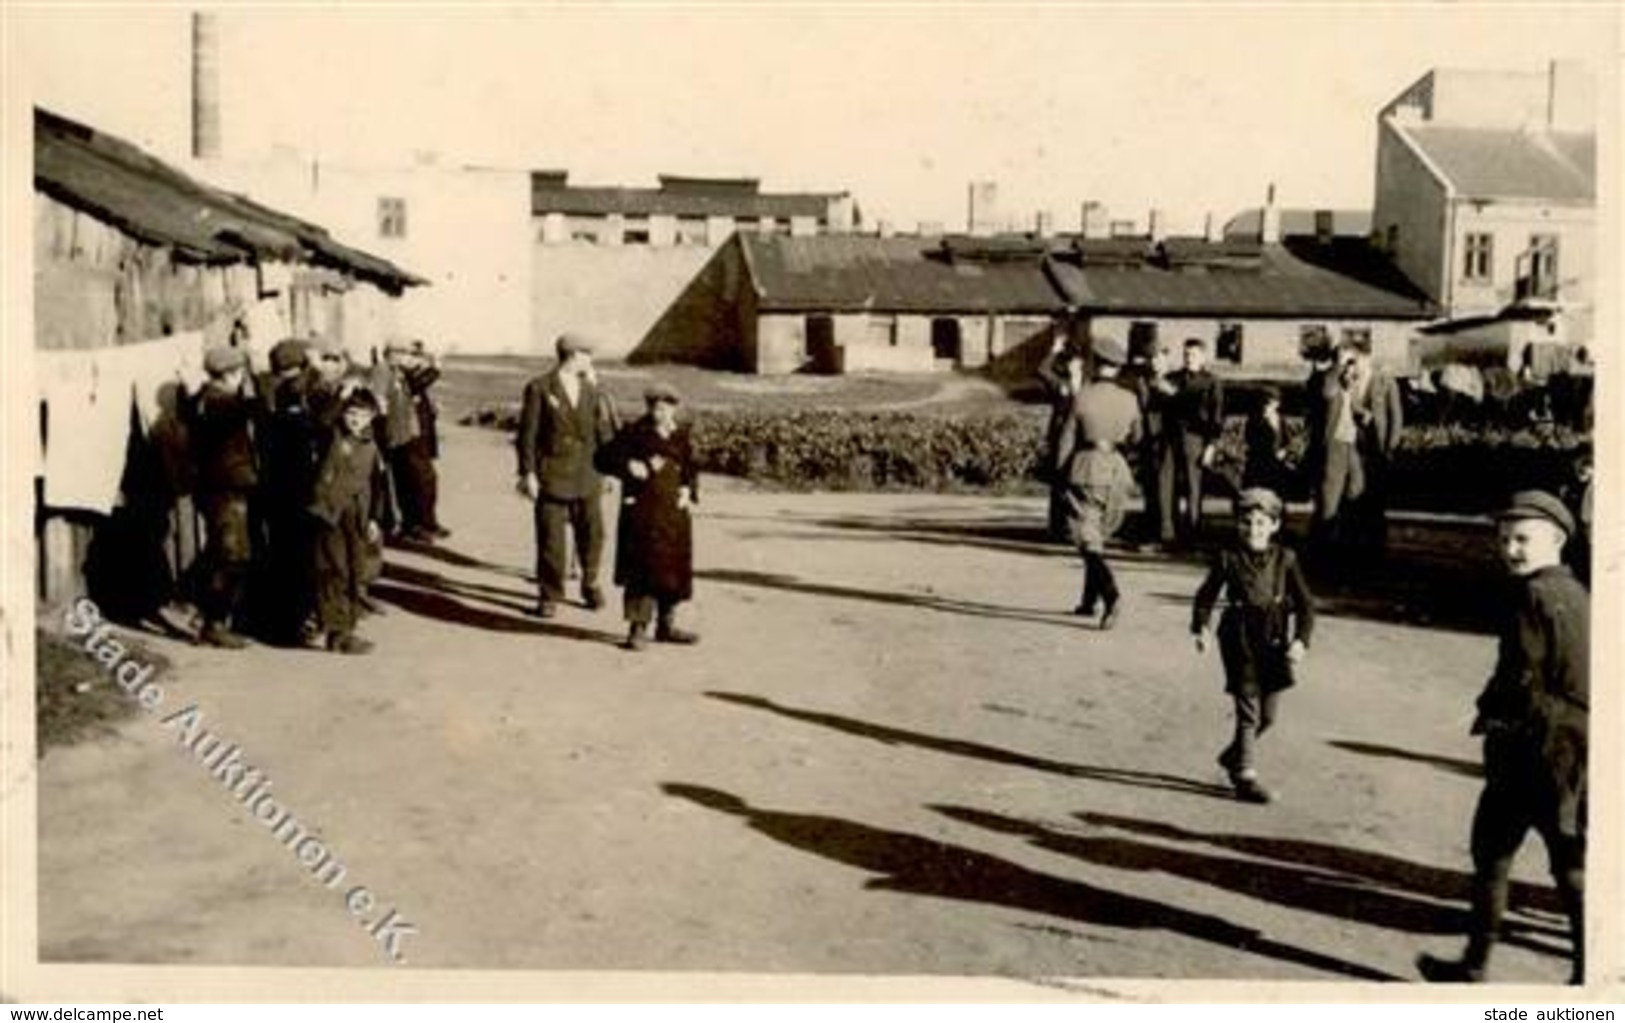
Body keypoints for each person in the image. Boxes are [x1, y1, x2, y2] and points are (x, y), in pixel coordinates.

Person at [1419, 491, 1588, 985]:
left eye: (1522, 539)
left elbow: (1521, 679)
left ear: (1556, 540)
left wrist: (1492, 720)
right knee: (1568, 859)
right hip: (1572, 751)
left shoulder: (1531, 597)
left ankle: (1476, 965)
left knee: (1492, 852)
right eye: (1504, 539)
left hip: (1531, 749)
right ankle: (1586, 974)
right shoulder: (1578, 594)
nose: (1511, 549)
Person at [1191, 487, 1314, 804]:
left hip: (1273, 638)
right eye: (1246, 522)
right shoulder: (1228, 558)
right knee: (1248, 709)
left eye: (1261, 523)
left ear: (1274, 525)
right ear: (1237, 524)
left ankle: (1233, 756)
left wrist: (1301, 640)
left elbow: (1306, 606)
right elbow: (1206, 596)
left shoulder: (1286, 559)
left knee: (1268, 717)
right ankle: (1245, 775)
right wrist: (1201, 627)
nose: (1253, 529)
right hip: (1238, 637)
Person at [517, 333, 621, 618]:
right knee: (551, 540)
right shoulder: (540, 387)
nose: (591, 360)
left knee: (593, 534)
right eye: (588, 354)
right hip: (552, 475)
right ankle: (550, 594)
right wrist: (528, 473)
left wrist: (611, 471)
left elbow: (603, 432)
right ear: (574, 355)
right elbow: (528, 435)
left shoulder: (592, 390)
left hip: (588, 474)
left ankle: (590, 584)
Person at [596, 383, 700, 651]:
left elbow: (690, 466)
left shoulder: (681, 434)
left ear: (674, 408)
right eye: (655, 407)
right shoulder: (634, 433)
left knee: (672, 571)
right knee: (642, 570)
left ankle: (666, 625)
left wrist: (689, 490)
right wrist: (630, 466)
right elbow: (603, 458)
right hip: (644, 513)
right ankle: (638, 628)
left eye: (665, 408)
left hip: (674, 513)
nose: (659, 413)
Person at [1054, 333, 1142, 628]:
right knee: (1097, 538)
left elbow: (1066, 439)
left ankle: (1111, 594)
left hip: (1086, 469)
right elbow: (1137, 437)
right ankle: (1088, 602)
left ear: (1096, 364)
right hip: (1116, 471)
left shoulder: (1083, 396)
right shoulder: (1130, 399)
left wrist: (1060, 473)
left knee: (1086, 539)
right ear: (1117, 368)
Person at [1308, 340, 1403, 576]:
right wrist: (1339, 368)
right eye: (1349, 361)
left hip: (1367, 451)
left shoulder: (1381, 381)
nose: (1353, 366)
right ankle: (1322, 555)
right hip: (1338, 447)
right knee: (1330, 501)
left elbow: (1390, 416)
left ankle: (1364, 555)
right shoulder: (1331, 379)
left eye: (1355, 361)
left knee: (1362, 500)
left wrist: (1387, 445)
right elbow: (1330, 395)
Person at [188, 345, 261, 648]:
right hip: (225, 487)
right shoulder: (220, 403)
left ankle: (204, 610)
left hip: (218, 485)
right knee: (231, 555)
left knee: (222, 551)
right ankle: (213, 622)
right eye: (239, 371)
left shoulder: (204, 400)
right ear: (231, 373)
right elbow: (251, 412)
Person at [308, 387, 387, 655]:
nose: (355, 419)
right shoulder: (331, 435)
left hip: (358, 514)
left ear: (372, 417)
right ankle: (336, 633)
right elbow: (322, 419)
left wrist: (375, 518)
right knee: (334, 570)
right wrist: (340, 396)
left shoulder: (373, 445)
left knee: (355, 569)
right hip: (330, 513)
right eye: (351, 413)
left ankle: (348, 626)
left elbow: (378, 486)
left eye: (362, 415)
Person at [256, 338, 322, 645]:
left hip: (271, 485)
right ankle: (290, 626)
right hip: (293, 487)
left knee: (280, 555)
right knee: (296, 558)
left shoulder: (264, 388)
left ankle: (279, 621)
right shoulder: (289, 395)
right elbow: (312, 428)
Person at [1163, 338, 1225, 545]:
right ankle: (1168, 533)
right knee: (1167, 484)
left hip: (1195, 439)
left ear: (1203, 356)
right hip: (1170, 438)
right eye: (1186, 355)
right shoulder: (1171, 378)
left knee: (1193, 486)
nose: (1189, 359)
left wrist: (1211, 445)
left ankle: (1193, 533)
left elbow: (1216, 417)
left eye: (1194, 355)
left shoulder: (1211, 381)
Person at [1120, 340, 1177, 550]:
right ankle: (1152, 532)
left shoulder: (1174, 381)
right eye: (1152, 358)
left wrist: (1170, 393)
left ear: (1166, 358)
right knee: (1151, 490)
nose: (1155, 363)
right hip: (1146, 442)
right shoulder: (1142, 380)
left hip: (1166, 442)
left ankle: (1164, 536)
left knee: (1164, 489)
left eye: (1159, 358)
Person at [1036, 335, 1085, 542]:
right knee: (1059, 483)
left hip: (1081, 440)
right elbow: (1041, 371)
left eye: (1076, 363)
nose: (1073, 366)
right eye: (1070, 362)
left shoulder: (1087, 386)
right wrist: (1054, 350)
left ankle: (1074, 526)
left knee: (1077, 484)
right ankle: (1056, 527)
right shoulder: (1060, 385)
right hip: (1060, 439)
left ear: (1081, 365)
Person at [1241, 386, 1292, 497]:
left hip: (1277, 466)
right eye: (1265, 403)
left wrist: (1284, 451)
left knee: (1276, 495)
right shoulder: (1254, 420)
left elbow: (1288, 441)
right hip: (1259, 465)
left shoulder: (1280, 419)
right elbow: (1250, 441)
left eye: (1271, 403)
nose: (1267, 406)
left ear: (1277, 404)